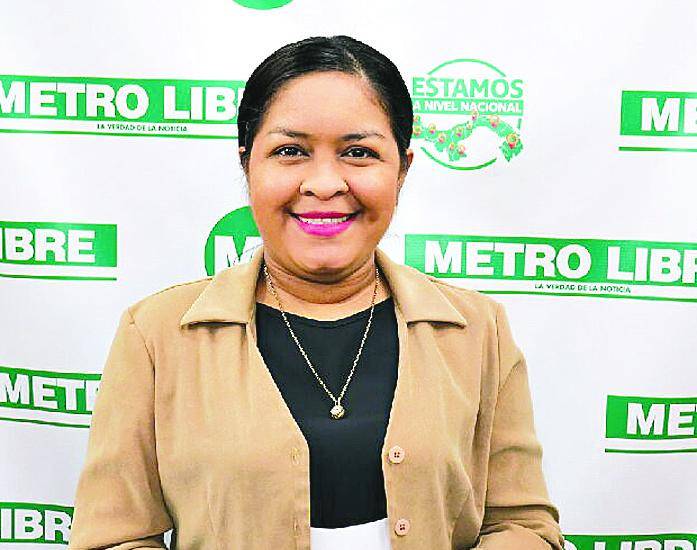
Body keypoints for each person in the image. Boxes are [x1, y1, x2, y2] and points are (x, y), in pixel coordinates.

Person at [68, 35, 565, 549]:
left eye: (358, 153)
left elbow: (523, 525)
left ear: (403, 169)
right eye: (290, 151)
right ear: (247, 165)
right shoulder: (156, 335)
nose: (324, 184)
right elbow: (113, 537)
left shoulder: (478, 330)